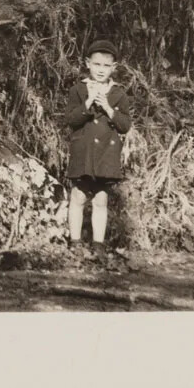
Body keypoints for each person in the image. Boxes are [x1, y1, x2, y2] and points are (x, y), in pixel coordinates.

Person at [61, 38, 132, 253]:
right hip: (83, 151)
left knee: (101, 199)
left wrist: (109, 108)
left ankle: (98, 245)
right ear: (87, 64)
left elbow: (125, 125)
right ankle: (75, 243)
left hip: (106, 154)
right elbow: (71, 120)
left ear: (114, 68)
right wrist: (89, 102)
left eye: (106, 66)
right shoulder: (78, 90)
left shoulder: (119, 93)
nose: (101, 70)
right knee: (78, 195)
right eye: (96, 64)